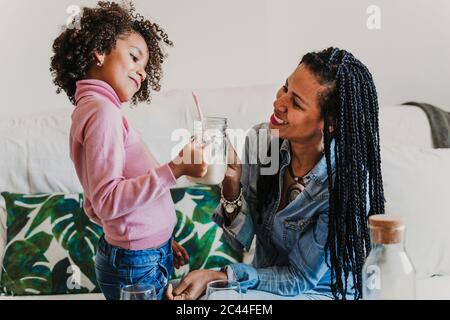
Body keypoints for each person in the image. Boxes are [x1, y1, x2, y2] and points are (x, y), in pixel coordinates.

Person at [166, 47, 385, 300]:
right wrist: (232, 185)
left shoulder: (344, 185)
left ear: (330, 123)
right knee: (196, 294)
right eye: (285, 88)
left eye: (296, 103)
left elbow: (299, 279)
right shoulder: (262, 142)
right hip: (264, 284)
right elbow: (242, 240)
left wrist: (223, 276)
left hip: (321, 293)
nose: (279, 102)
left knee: (217, 295)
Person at [50, 1, 206, 300]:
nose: (142, 72)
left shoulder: (93, 110)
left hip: (142, 255)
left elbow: (94, 205)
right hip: (137, 264)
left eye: (146, 67)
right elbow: (107, 200)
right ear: (99, 50)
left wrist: (154, 237)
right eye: (134, 57)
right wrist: (176, 168)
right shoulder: (102, 114)